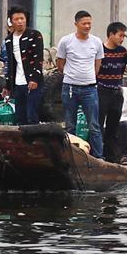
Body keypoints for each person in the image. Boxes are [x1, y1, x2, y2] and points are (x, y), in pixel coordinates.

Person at [53, 10, 106, 158]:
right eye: (84, 23)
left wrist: (89, 76)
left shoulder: (96, 42)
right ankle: (71, 157)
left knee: (94, 126)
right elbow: (60, 64)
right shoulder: (66, 41)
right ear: (76, 24)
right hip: (70, 87)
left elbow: (98, 64)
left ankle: (99, 158)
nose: (87, 26)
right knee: (70, 125)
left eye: (89, 23)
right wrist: (72, 75)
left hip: (90, 89)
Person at [97, 21, 127, 162]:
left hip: (117, 93)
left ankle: (111, 156)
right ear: (111, 35)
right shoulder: (100, 50)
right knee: (98, 125)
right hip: (101, 91)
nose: (122, 39)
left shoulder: (122, 51)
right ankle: (98, 155)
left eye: (123, 36)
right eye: (120, 35)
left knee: (113, 126)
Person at [0, 6, 44, 123]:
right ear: (11, 21)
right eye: (16, 19)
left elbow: (38, 58)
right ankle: (22, 141)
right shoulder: (9, 40)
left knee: (32, 116)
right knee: (20, 117)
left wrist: (34, 79)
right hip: (18, 84)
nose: (20, 22)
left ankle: (34, 141)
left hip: (32, 83)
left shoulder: (35, 35)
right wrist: (7, 85)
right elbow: (10, 63)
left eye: (22, 18)